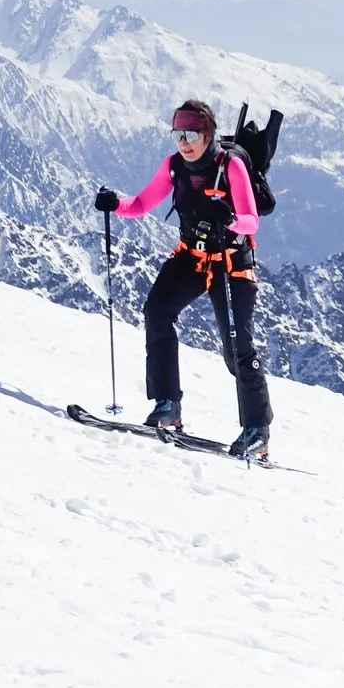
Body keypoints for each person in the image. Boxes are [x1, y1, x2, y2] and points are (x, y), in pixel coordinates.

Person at [95, 99, 272, 460]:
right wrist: (115, 203)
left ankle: (258, 430)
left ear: (207, 135)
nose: (184, 141)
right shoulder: (174, 166)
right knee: (157, 310)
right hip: (192, 257)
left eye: (191, 133)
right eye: (178, 133)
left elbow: (251, 221)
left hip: (231, 264)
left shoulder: (231, 166)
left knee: (236, 347)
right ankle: (167, 404)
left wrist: (231, 218)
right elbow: (142, 204)